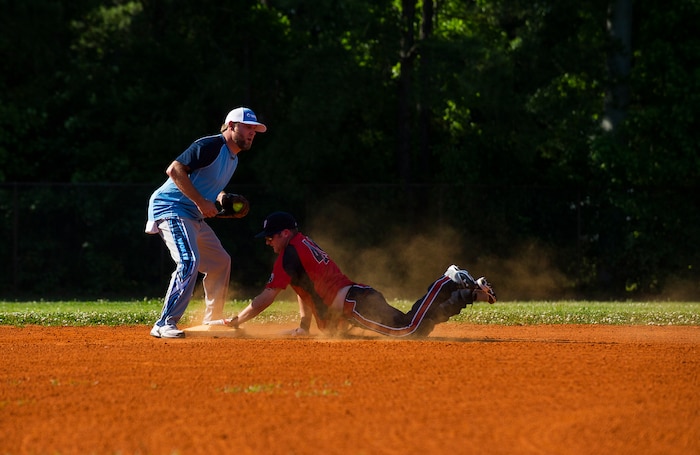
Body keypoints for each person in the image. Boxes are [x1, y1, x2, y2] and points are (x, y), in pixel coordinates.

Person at [225, 211, 497, 338]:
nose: (267, 241)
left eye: (270, 236)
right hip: (354, 302)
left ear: (285, 233)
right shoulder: (300, 245)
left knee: (408, 330)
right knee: (417, 327)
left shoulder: (289, 255)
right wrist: (304, 326)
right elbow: (303, 288)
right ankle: (467, 294)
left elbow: (265, 298)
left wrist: (238, 320)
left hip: (354, 304)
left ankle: (447, 281)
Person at [144, 107, 267, 338]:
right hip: (171, 207)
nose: (252, 133)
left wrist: (222, 198)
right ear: (231, 126)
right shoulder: (211, 145)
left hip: (192, 214)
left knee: (221, 262)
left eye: (255, 129)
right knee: (189, 260)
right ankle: (163, 323)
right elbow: (175, 169)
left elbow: (207, 182)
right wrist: (201, 202)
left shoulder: (233, 159)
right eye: (248, 127)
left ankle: (211, 320)